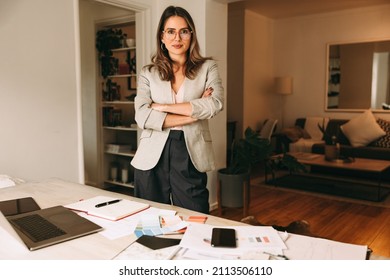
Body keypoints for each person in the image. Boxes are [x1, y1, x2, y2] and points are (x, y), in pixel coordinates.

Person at [130, 6, 224, 214]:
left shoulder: (208, 68)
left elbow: (215, 103)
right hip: (152, 154)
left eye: (184, 31)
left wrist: (163, 107)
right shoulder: (148, 73)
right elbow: (143, 115)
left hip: (191, 152)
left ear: (191, 35)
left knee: (195, 217)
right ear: (162, 37)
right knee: (151, 221)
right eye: (170, 31)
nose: (177, 37)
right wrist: (194, 113)